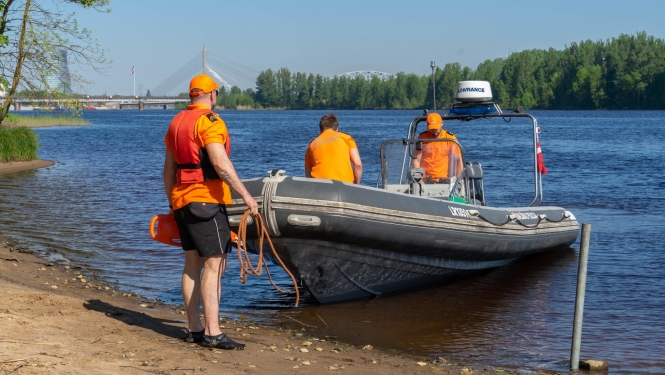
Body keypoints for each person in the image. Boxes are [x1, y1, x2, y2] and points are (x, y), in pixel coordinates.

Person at [163, 74, 258, 350]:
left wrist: (173, 204)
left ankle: (194, 329)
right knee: (215, 265)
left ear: (191, 95)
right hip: (206, 201)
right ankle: (213, 332)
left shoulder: (176, 122)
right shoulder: (209, 121)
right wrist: (246, 195)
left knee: (192, 265)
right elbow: (220, 163)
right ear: (212, 95)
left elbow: (168, 171)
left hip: (182, 201)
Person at [305, 113, 362, 184]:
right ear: (337, 129)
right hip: (344, 185)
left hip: (319, 186)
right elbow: (358, 165)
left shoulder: (311, 145)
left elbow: (308, 175)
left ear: (320, 130)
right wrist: (356, 185)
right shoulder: (346, 138)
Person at [413, 112, 462, 183]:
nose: (434, 131)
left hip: (445, 180)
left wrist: (459, 181)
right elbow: (416, 160)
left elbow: (458, 161)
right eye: (432, 128)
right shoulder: (422, 138)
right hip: (425, 180)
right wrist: (419, 180)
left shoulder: (450, 138)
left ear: (442, 123)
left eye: (436, 128)